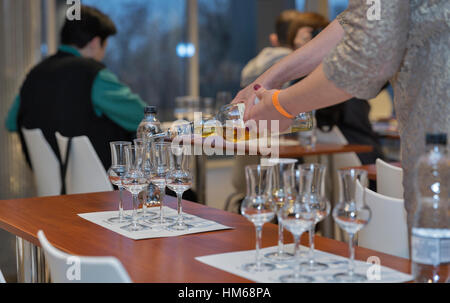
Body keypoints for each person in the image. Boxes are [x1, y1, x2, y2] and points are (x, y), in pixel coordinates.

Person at [232, 0, 449, 240]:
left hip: (438, 149)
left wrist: (283, 105)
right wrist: (269, 79)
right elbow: (355, 22)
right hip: (427, 149)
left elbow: (365, 59)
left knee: (434, 262)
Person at [5, 5, 146, 170]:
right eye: (104, 46)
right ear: (95, 43)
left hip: (53, 188)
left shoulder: (35, 73)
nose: (103, 54)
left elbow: (11, 123)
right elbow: (143, 117)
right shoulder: (93, 74)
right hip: (100, 187)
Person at [287, 13, 385, 165]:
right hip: (341, 165)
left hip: (361, 161)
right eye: (297, 39)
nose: (298, 44)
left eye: (309, 38)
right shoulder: (298, 85)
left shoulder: (343, 80)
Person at [240, 9, 301, 88]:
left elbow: (244, 80)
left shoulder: (261, 58)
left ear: (275, 38)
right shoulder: (295, 62)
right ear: (297, 36)